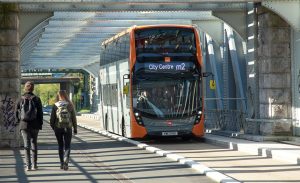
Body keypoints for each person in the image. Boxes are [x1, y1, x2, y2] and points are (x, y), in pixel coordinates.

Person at [15, 81, 43, 171]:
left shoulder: (20, 99)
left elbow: (16, 112)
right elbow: (40, 113)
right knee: (34, 144)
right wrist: (40, 123)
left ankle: (28, 166)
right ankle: (35, 165)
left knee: (26, 146)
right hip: (35, 125)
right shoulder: (37, 99)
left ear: (25, 88)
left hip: (24, 125)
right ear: (33, 88)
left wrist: (18, 121)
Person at [50, 90, 77, 170]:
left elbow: (52, 119)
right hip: (68, 127)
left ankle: (62, 163)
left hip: (58, 128)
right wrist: (75, 128)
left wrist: (54, 128)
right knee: (67, 146)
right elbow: (73, 118)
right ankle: (66, 161)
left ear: (58, 96)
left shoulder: (55, 105)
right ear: (66, 95)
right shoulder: (70, 105)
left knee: (60, 145)